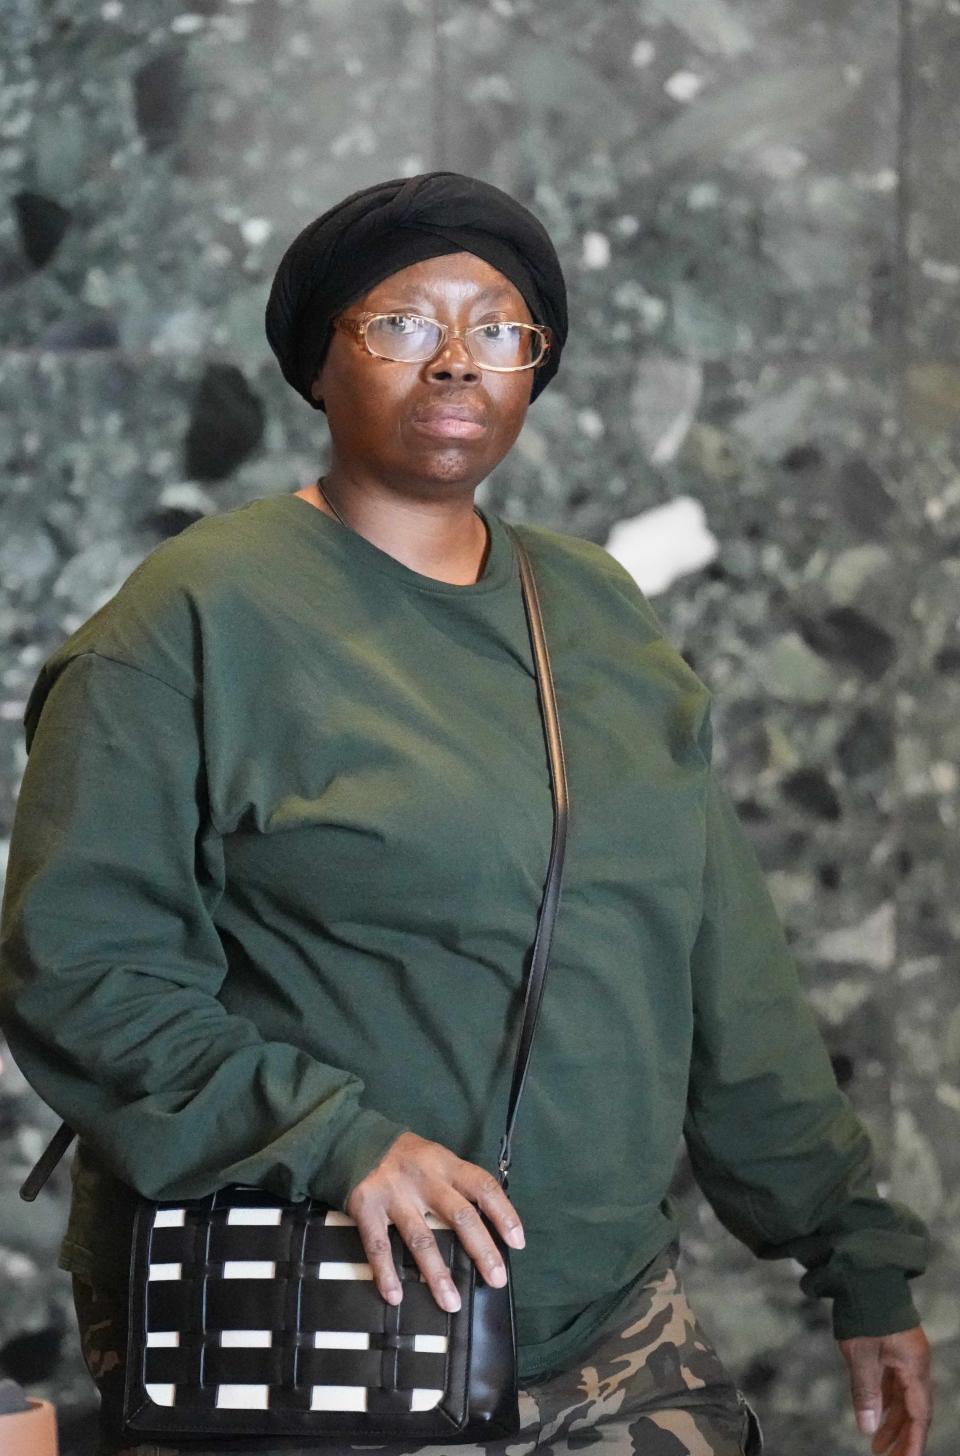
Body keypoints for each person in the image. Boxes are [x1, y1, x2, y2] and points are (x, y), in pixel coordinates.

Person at [0, 172, 932, 1456]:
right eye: (402, 324)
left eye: (498, 329)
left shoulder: (597, 611)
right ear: (321, 361)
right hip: (323, 1323)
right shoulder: (195, 618)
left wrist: (852, 1249)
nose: (456, 363)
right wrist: (336, 1140)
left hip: (609, 1329)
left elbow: (723, 957)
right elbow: (80, 968)